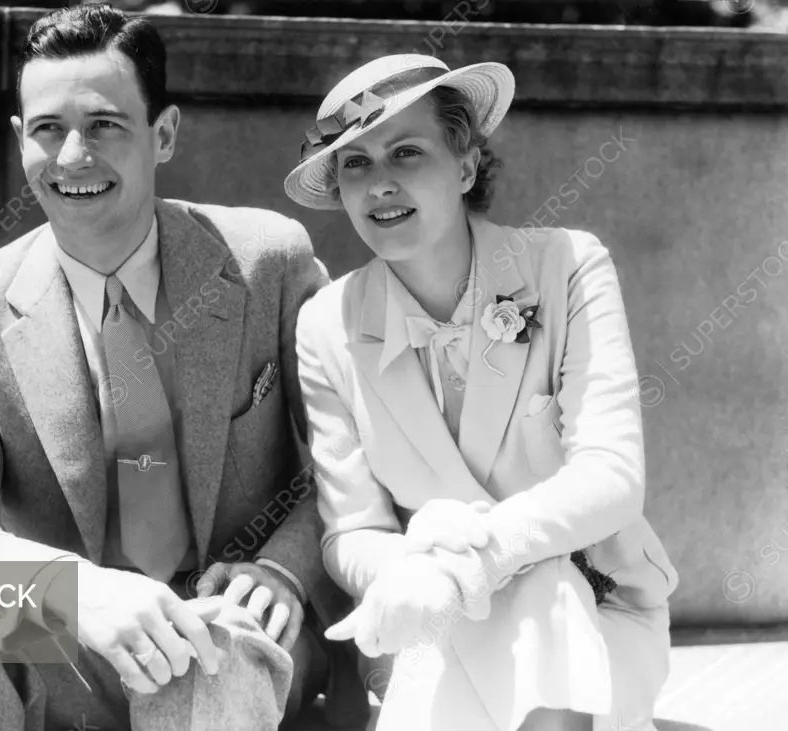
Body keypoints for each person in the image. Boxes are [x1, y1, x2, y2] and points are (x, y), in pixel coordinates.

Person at [0, 5, 370, 730]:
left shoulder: (269, 262)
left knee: (209, 651)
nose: (73, 156)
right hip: (67, 632)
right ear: (20, 141)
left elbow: (349, 454)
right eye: (47, 130)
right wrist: (77, 594)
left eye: (104, 124)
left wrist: (285, 569)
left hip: (233, 622)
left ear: (163, 134)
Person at [286, 54, 680, 730]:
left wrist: (474, 555)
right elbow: (351, 530)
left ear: (465, 165)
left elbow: (612, 475)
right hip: (433, 621)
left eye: (406, 152)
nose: (379, 184)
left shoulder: (567, 266)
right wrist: (415, 568)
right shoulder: (327, 323)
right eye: (356, 163)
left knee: (547, 588)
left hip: (600, 602)